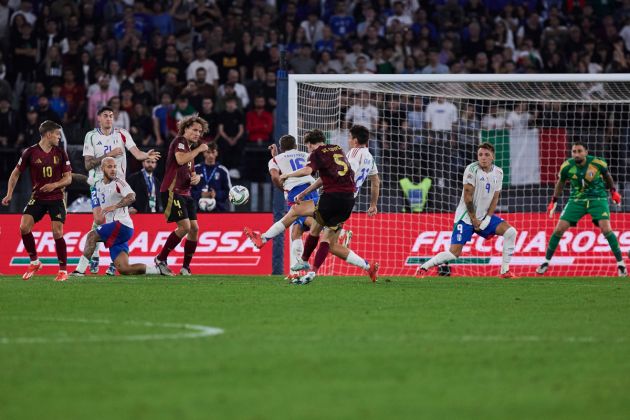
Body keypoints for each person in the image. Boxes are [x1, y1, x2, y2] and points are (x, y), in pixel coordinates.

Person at [245, 129, 369, 285]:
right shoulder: (330, 150)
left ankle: (264, 238)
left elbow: (285, 175)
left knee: (300, 218)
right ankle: (299, 269)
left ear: (309, 144)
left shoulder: (298, 157)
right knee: (298, 231)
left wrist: (284, 177)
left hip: (311, 194)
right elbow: (321, 174)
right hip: (336, 194)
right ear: (296, 145)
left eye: (309, 146)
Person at [289, 125, 380, 282]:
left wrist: (302, 192)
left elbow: (343, 173)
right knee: (330, 244)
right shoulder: (370, 158)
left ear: (356, 140)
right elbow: (376, 182)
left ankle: (271, 241)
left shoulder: (354, 153)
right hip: (349, 200)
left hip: (333, 195)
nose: (349, 140)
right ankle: (368, 266)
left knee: (296, 211)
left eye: (350, 137)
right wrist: (373, 204)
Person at [417, 142, 518, 278]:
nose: (483, 157)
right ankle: (423, 267)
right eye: (480, 155)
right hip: (466, 217)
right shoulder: (471, 170)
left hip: (483, 217)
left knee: (511, 232)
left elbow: (495, 198)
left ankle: (505, 271)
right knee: (454, 254)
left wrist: (487, 218)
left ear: (492, 157)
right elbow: (467, 197)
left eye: (486, 155)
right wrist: (474, 220)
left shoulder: (498, 172)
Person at [83, 106, 161, 276]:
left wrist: (146, 155)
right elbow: (88, 164)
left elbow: (136, 153)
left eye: (111, 116)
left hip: (117, 184)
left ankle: (113, 261)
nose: (109, 119)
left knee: (118, 219)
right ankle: (95, 255)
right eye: (105, 116)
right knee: (99, 217)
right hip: (97, 183)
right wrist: (109, 154)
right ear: (99, 118)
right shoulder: (91, 136)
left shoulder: (122, 133)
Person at [537, 142, 626, 277]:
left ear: (586, 152)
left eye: (579, 151)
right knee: (559, 229)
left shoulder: (597, 163)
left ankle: (621, 265)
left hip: (598, 198)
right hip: (577, 200)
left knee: (606, 228)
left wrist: (613, 192)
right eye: (574, 151)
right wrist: (553, 201)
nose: (576, 154)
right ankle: (545, 262)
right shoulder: (567, 167)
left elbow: (607, 176)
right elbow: (560, 183)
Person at [2, 120, 72, 282]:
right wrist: (9, 193)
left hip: (56, 198)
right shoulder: (30, 152)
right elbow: (15, 173)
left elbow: (68, 179)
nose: (59, 138)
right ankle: (34, 261)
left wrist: (54, 185)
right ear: (48, 135)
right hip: (38, 198)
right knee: (24, 227)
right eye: (57, 134)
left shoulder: (60, 153)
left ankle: (62, 270)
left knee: (57, 232)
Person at [71, 158, 161, 277]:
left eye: (114, 166)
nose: (113, 169)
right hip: (117, 231)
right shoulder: (97, 184)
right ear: (102, 168)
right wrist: (67, 174)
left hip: (122, 225)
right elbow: (83, 179)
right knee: (125, 269)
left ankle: (79, 271)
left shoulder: (119, 182)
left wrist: (116, 206)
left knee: (91, 236)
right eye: (109, 167)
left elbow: (131, 196)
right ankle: (157, 270)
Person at [155, 115, 209, 276]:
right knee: (185, 227)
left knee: (194, 229)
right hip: (173, 191)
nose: (197, 134)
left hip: (186, 193)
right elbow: (179, 160)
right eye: (194, 130)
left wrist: (196, 178)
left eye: (200, 131)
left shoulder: (190, 151)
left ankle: (185, 267)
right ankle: (160, 259)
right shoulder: (180, 141)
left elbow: (191, 173)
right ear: (185, 129)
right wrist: (200, 149)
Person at [192, 141, 231, 212]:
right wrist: (200, 194)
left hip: (219, 210)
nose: (211, 155)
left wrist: (216, 194)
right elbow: (187, 190)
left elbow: (229, 193)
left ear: (217, 153)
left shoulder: (223, 170)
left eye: (213, 152)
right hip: (197, 210)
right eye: (208, 152)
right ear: (204, 153)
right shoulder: (195, 169)